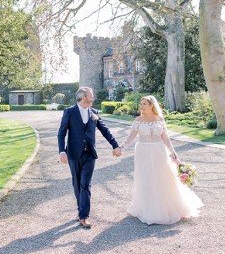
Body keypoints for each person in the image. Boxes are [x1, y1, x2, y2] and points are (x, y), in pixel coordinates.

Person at [118, 95, 203, 225]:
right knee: (146, 178)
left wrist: (173, 152)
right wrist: (120, 148)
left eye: (144, 104)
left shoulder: (159, 119)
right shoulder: (138, 120)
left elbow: (166, 138)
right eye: (141, 104)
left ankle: (167, 207)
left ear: (152, 105)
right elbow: (130, 138)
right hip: (143, 152)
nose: (141, 106)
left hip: (159, 150)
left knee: (162, 177)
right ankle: (148, 209)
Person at [57, 87, 122, 229]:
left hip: (90, 155)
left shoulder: (94, 113)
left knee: (85, 184)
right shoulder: (69, 112)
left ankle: (83, 216)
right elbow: (61, 133)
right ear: (83, 97)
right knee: (77, 183)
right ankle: (80, 209)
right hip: (73, 154)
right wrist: (62, 151)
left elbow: (105, 130)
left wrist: (115, 145)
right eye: (91, 96)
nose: (93, 98)